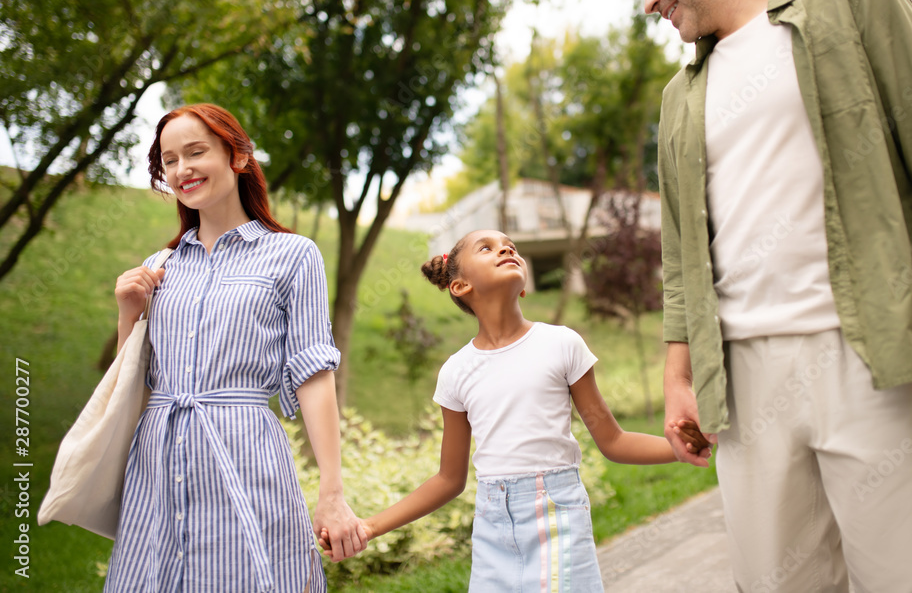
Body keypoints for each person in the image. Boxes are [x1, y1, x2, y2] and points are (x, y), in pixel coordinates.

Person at [621, 0, 912, 590]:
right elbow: (681, 257)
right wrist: (678, 377)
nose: (649, 1)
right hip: (742, 385)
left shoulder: (850, 0)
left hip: (875, 356)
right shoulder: (680, 100)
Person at [324, 229, 698, 591]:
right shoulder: (456, 371)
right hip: (492, 526)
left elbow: (613, 440)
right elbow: (449, 479)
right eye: (486, 248)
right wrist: (370, 527)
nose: (505, 249)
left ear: (522, 284)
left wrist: (678, 448)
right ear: (460, 286)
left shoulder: (561, 344)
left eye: (510, 246)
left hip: (558, 514)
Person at [105, 104, 367, 591]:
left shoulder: (292, 256)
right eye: (170, 160)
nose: (182, 169)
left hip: (246, 456)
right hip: (159, 465)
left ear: (238, 156)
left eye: (196, 152)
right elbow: (128, 387)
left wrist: (331, 492)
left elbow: (313, 373)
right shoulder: (159, 266)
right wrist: (128, 311)